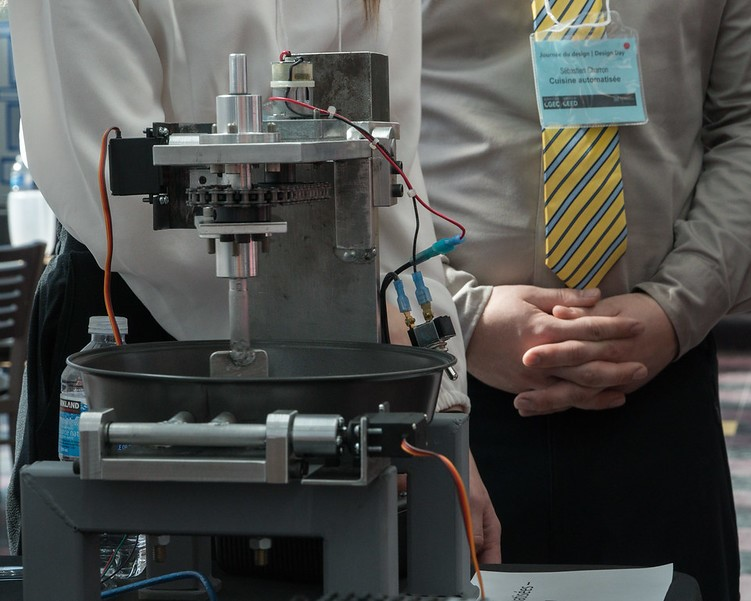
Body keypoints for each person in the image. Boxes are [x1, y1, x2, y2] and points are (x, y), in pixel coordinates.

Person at [5, 0, 508, 564]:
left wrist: (437, 411)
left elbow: (392, 183)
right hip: (137, 325)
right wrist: (331, 372)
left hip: (347, 353)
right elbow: (106, 185)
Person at [418, 1, 751, 601]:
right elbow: (344, 113)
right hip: (433, 383)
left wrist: (678, 307)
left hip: (656, 378)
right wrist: (452, 317)